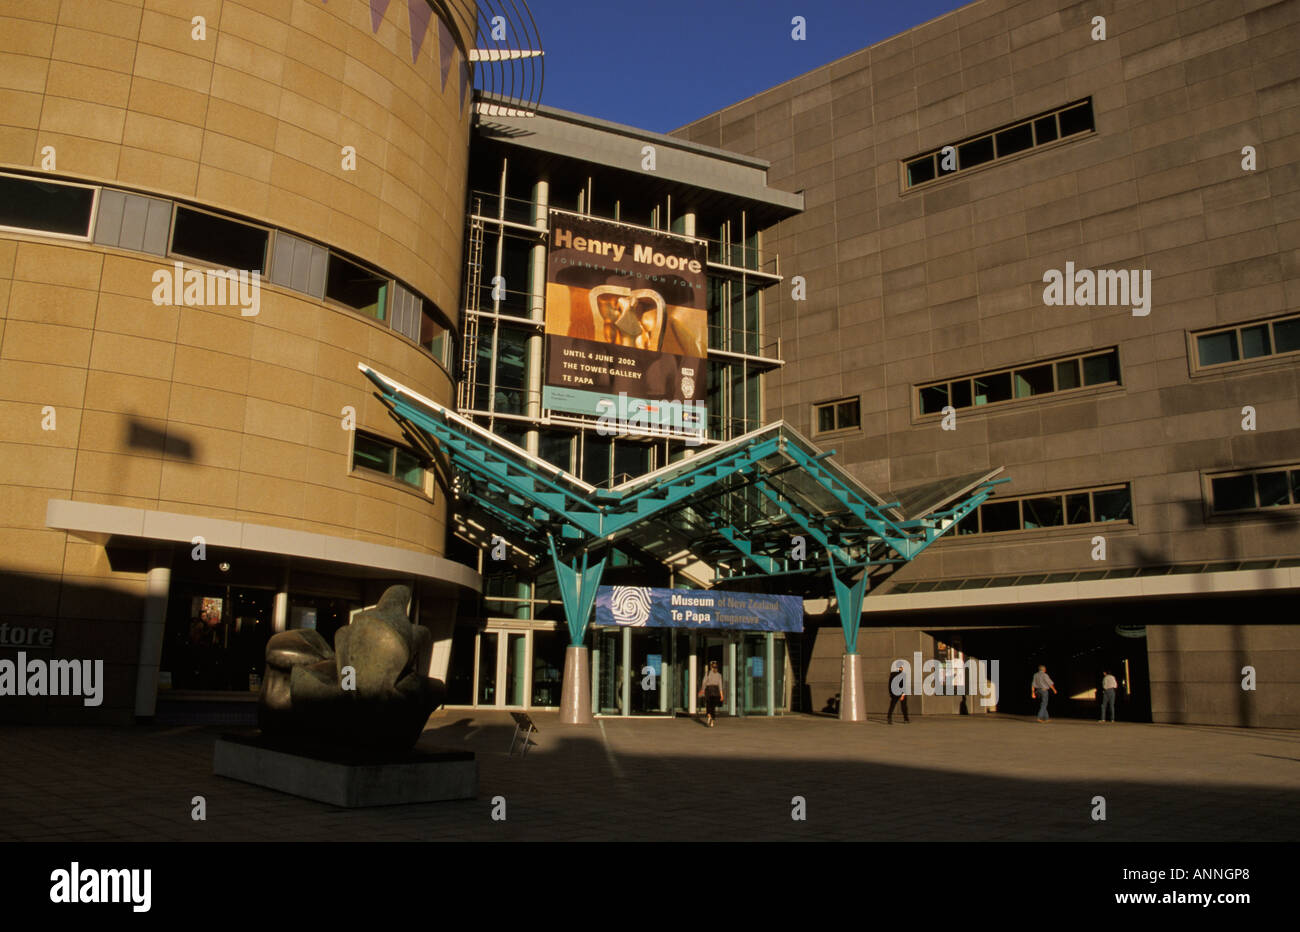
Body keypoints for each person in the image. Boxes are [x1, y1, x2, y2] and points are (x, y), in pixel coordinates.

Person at [698, 660, 725, 727]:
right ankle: (712, 720)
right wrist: (721, 695)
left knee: (708, 705)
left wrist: (702, 690)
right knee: (713, 706)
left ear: (711, 667)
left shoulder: (707, 673)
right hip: (716, 691)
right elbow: (720, 685)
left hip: (708, 690)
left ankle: (709, 716)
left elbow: (704, 682)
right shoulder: (719, 675)